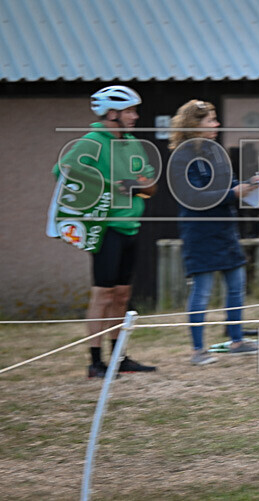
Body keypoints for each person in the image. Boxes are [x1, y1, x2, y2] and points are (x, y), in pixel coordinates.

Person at [51, 85, 157, 378]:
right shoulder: (91, 142)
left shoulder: (133, 143)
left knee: (122, 295)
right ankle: (95, 362)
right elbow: (64, 171)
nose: (135, 116)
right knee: (103, 294)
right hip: (105, 227)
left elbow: (150, 185)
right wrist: (112, 184)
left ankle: (120, 357)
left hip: (131, 227)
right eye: (130, 111)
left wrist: (134, 184)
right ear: (112, 113)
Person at [168, 100, 259, 365]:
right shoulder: (181, 157)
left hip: (225, 229)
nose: (216, 124)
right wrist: (233, 193)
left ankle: (237, 341)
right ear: (194, 125)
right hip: (199, 232)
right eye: (210, 120)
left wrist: (248, 185)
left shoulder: (214, 151)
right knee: (202, 291)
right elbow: (192, 195)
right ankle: (198, 351)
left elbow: (227, 184)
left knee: (237, 284)